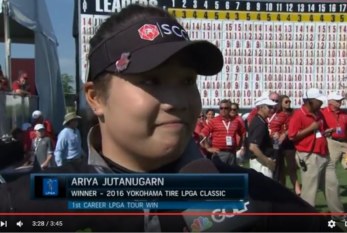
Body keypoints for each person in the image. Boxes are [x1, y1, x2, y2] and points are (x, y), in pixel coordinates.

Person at [0, 5, 336, 232]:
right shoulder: (32, 202)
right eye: (151, 81)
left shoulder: (259, 198)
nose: (176, 101)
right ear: (95, 97)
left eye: (187, 81)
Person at [288, 88, 333, 208]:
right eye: (319, 101)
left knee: (332, 185)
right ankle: (306, 216)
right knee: (310, 190)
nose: (322, 103)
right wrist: (311, 128)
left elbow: (320, 130)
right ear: (310, 101)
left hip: (324, 153)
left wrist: (325, 132)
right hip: (309, 155)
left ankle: (338, 214)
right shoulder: (298, 115)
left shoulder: (319, 113)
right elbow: (292, 136)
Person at [321, 91, 347, 221]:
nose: (340, 102)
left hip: (345, 143)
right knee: (330, 176)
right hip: (331, 142)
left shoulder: (343, 114)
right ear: (330, 101)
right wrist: (324, 132)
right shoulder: (322, 113)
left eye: (340, 100)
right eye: (337, 100)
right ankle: (338, 213)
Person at [269, 95, 301, 194]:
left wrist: (285, 133)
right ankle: (283, 188)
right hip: (278, 144)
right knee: (280, 167)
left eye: (289, 101)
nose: (288, 103)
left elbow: (295, 126)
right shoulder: (277, 114)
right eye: (286, 102)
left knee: (292, 167)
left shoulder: (294, 113)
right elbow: (272, 127)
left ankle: (297, 187)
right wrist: (275, 134)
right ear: (281, 103)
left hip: (290, 143)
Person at [248, 97, 277, 178]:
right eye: (269, 107)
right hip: (260, 164)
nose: (272, 110)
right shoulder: (260, 123)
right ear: (261, 107)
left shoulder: (259, 120)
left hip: (259, 162)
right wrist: (267, 161)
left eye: (273, 107)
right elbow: (253, 147)